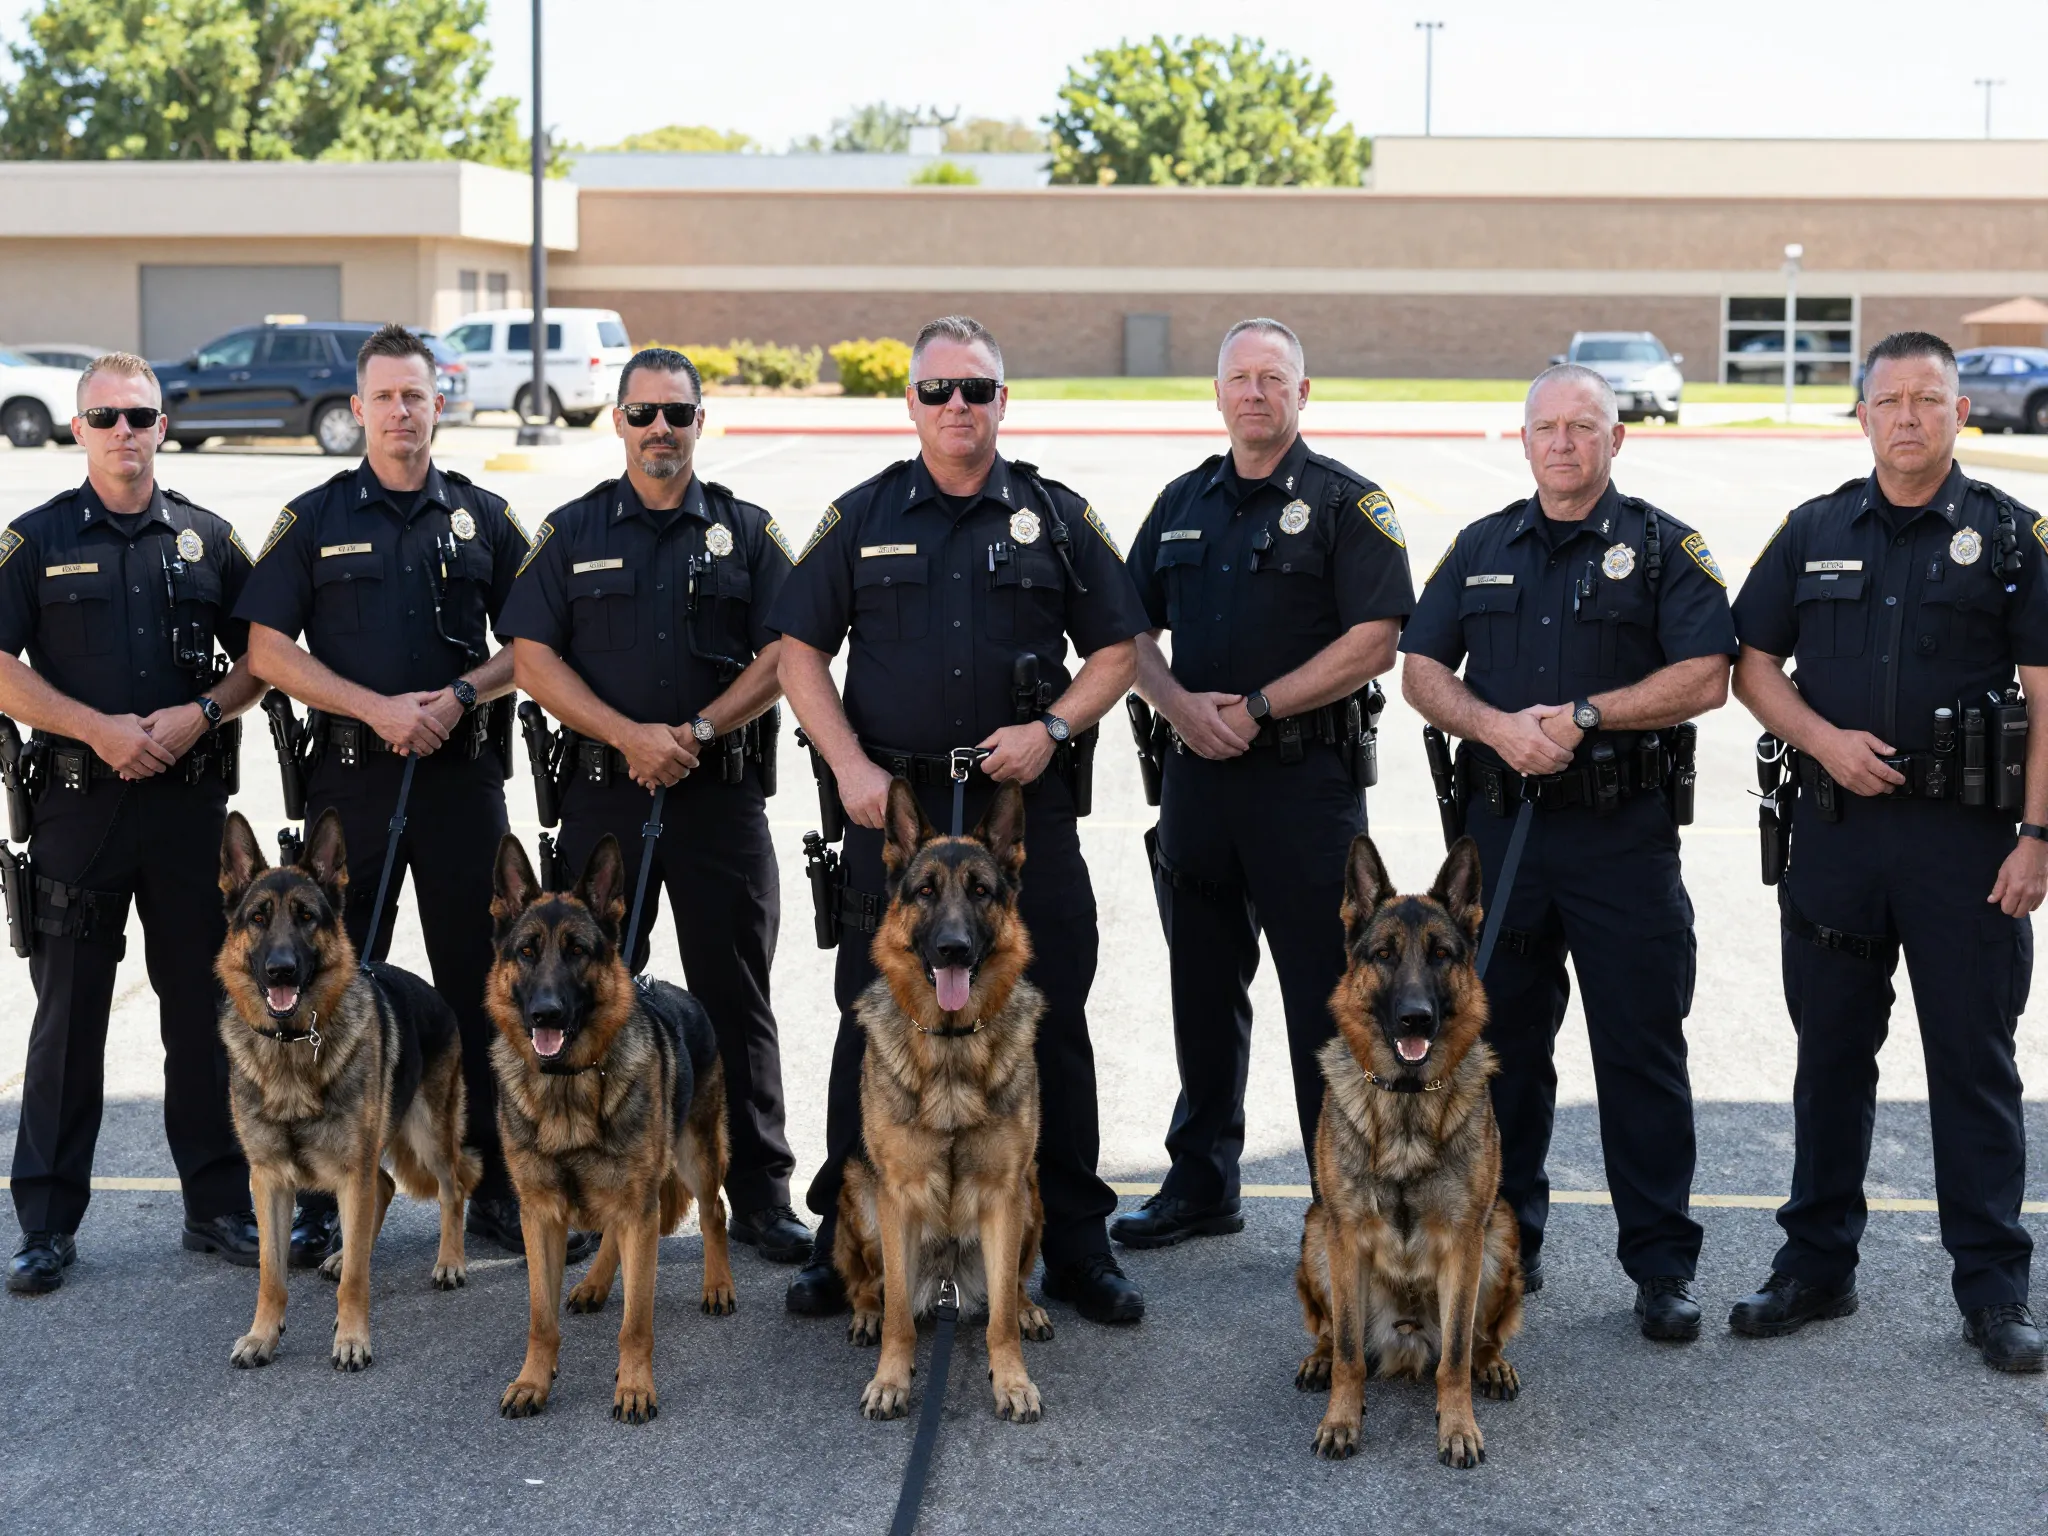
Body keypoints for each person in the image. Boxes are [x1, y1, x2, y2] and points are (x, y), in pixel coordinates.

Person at [771, 315, 1149, 1324]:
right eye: (937, 392)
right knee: (870, 1025)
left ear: (1000, 403)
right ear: (910, 404)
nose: (956, 410)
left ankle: (1073, 1244)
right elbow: (796, 650)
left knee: (1051, 1023)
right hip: (887, 817)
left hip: (1017, 819)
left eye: (974, 391)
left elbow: (1119, 645)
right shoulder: (859, 515)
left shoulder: (1054, 517)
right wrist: (844, 762)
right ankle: (839, 1239)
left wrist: (1054, 730)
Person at [234, 324, 589, 1265]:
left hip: (460, 778)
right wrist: (376, 708)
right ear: (358, 410)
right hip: (350, 784)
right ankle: (317, 1191)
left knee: (488, 983)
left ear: (440, 404)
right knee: (317, 985)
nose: (400, 411)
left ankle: (498, 1178)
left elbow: (536, 637)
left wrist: (464, 692)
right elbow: (266, 650)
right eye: (384, 397)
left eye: (415, 396)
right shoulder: (313, 517)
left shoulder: (480, 515)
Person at [1728, 331, 2046, 1372]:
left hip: (1966, 849)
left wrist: (2036, 839)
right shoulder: (1811, 528)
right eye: (1888, 400)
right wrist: (1818, 739)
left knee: (1972, 1068)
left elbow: (2047, 701)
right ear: (1859, 414)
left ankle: (1994, 1292)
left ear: (1961, 413)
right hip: (1834, 839)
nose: (1906, 417)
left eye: (1927, 399)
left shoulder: (2010, 537)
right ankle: (1814, 1266)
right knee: (1827, 1063)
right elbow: (1751, 664)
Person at [1398, 362, 1735, 1342]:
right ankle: (1510, 1241)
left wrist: (1586, 714)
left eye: (1582, 427)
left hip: (1620, 839)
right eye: (1545, 427)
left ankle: (1661, 1268)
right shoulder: (1480, 545)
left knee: (1639, 1051)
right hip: (1501, 836)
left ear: (1615, 439)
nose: (1562, 443)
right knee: (1501, 1053)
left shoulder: (1664, 547)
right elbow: (1421, 667)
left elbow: (1705, 676)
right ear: (1523, 440)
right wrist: (1497, 729)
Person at [500, 346, 809, 1262]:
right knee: (579, 999)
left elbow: (788, 649)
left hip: (717, 800)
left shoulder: (746, 532)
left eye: (677, 412)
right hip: (605, 803)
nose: (660, 429)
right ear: (619, 422)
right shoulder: (572, 530)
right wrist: (629, 734)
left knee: (736, 998)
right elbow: (529, 655)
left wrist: (700, 732)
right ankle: (585, 1186)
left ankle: (761, 1196)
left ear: (701, 422)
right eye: (643, 413)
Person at [1113, 318, 1413, 1248]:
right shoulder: (1183, 500)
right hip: (1198, 786)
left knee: (1325, 996)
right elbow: (1126, 631)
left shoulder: (1345, 505)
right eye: (1239, 378)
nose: (1254, 393)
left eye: (1272, 379)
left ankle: (1343, 1194)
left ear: (1302, 394)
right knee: (1201, 987)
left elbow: (1377, 638)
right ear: (1217, 395)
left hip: (1303, 790)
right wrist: (1176, 706)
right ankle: (1202, 1183)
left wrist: (1257, 706)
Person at [0, 352, 263, 1293]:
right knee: (67, 1019)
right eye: (104, 417)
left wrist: (202, 713)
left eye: (139, 416)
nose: (124, 433)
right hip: (80, 809)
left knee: (203, 1012)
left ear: (163, 425)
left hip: (190, 809)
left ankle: (218, 1206)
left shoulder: (205, 538)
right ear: (78, 429)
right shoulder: (32, 544)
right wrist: (96, 730)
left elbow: (263, 654)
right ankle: (45, 1223)